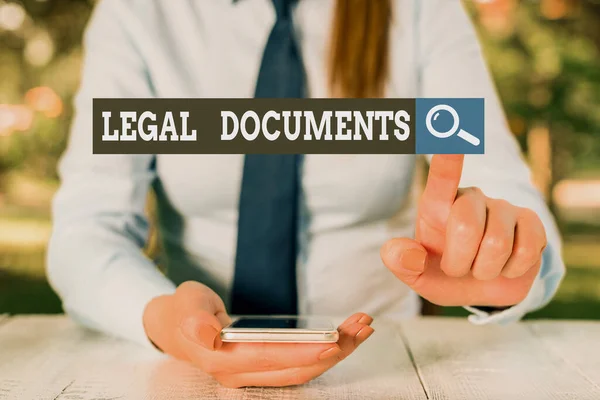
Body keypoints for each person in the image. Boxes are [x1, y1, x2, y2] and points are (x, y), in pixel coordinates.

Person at [47, 0, 565, 389]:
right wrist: (161, 317)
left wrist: (501, 259)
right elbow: (87, 231)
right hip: (188, 375)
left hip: (382, 374)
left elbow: (503, 192)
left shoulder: (420, 7)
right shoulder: (139, 12)